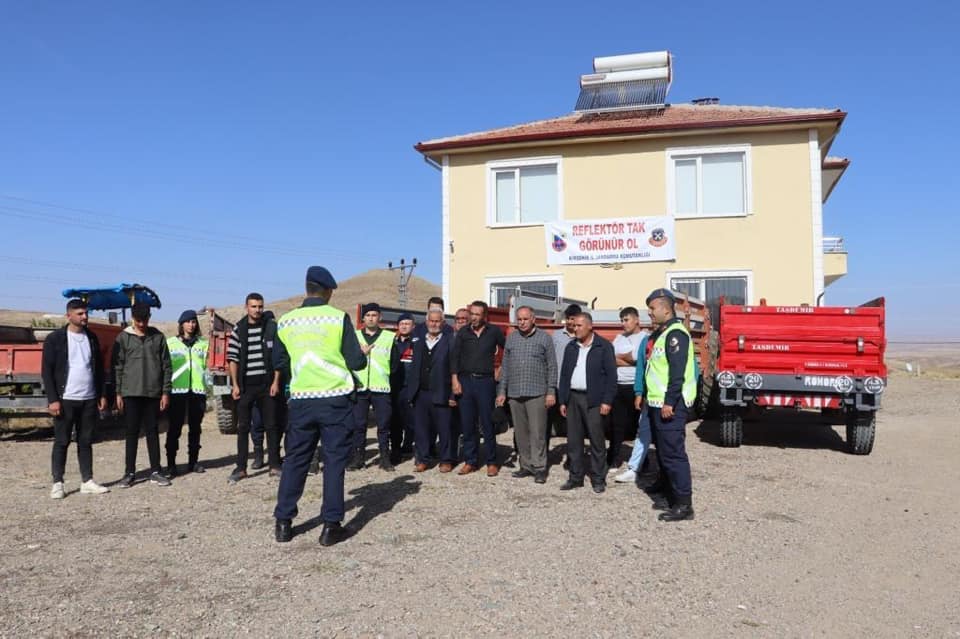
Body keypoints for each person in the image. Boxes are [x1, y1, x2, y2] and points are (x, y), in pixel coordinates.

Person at [273, 266, 366, 546]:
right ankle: (330, 525)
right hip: (335, 399)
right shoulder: (337, 318)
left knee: (296, 460)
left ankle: (283, 522)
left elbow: (279, 361)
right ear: (327, 291)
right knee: (334, 461)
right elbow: (356, 361)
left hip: (301, 400)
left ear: (306, 288)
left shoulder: (286, 322)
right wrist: (359, 357)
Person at [42, 298, 110, 498]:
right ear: (69, 315)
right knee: (62, 441)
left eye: (86, 313)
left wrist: (102, 394)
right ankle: (58, 483)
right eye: (80, 314)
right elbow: (47, 371)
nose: (85, 317)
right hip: (65, 399)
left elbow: (98, 369)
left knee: (86, 441)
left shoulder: (92, 338)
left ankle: (87, 481)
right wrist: (53, 399)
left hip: (88, 398)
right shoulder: (55, 339)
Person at [642, 288, 697, 522]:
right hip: (657, 403)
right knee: (664, 453)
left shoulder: (676, 334)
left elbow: (677, 373)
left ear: (666, 308)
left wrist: (669, 402)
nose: (650, 313)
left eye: (653, 309)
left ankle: (684, 505)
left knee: (673, 455)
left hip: (670, 405)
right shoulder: (662, 334)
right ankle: (667, 491)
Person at [113, 302, 172, 488]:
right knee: (131, 433)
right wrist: (118, 392)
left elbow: (166, 366)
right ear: (132, 318)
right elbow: (117, 367)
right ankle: (129, 473)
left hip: (153, 393)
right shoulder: (123, 338)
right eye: (138, 320)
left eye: (145, 319)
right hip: (130, 393)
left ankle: (156, 471)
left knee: (153, 432)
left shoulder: (158, 337)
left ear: (149, 317)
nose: (142, 323)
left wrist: (165, 391)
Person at [496, 305, 557, 484]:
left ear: (533, 319)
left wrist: (551, 391)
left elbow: (552, 367)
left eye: (525, 319)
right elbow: (505, 367)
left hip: (537, 393)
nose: (521, 322)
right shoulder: (512, 339)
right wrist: (502, 391)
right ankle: (526, 465)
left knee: (537, 433)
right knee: (521, 434)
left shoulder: (544, 338)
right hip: (515, 394)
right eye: (519, 319)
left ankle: (539, 467)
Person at [557, 312, 617, 493]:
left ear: (590, 326)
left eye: (579, 326)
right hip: (573, 398)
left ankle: (598, 478)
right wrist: (563, 400)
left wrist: (607, 400)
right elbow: (565, 375)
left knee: (596, 440)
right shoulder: (571, 347)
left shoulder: (603, 346)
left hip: (594, 399)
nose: (575, 329)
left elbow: (611, 376)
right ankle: (575, 477)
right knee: (574, 441)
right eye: (574, 326)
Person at [226, 293, 281, 483]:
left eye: (260, 306)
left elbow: (278, 358)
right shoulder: (238, 330)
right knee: (243, 427)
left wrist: (275, 382)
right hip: (246, 386)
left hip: (267, 385)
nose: (257, 310)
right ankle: (241, 468)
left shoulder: (271, 328)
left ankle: (274, 465)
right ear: (246, 307)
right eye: (254, 306)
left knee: (271, 425)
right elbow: (232, 358)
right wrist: (235, 384)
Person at [450, 300, 505, 476]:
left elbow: (508, 349)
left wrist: (500, 367)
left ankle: (491, 461)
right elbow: (455, 358)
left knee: (487, 423)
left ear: (484, 316)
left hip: (486, 383)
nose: (472, 317)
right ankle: (470, 461)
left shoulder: (494, 332)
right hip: (466, 382)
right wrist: (455, 380)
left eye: (476, 314)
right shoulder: (463, 333)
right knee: (467, 424)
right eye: (471, 314)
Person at [406, 310, 457, 472]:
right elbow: (414, 368)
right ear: (426, 322)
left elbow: (454, 369)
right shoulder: (419, 342)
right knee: (421, 429)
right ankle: (423, 459)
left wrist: (452, 394)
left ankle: (446, 460)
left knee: (444, 428)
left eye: (437, 321)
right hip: (421, 393)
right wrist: (412, 393)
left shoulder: (450, 341)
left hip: (442, 391)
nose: (434, 324)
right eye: (431, 321)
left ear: (442, 323)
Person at [348, 303, 397, 471]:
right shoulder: (354, 337)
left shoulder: (389, 337)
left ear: (380, 318)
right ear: (363, 318)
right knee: (358, 425)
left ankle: (384, 458)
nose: (371, 318)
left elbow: (395, 365)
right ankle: (358, 458)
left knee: (384, 426)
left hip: (381, 388)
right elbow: (347, 361)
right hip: (360, 387)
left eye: (374, 315)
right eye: (368, 315)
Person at [164, 310, 209, 477]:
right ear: (181, 324)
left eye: (194, 321)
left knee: (195, 428)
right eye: (188, 321)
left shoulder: (203, 344)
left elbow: (207, 366)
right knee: (174, 428)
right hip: (177, 391)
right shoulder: (170, 344)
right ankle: (171, 465)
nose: (192, 324)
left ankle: (194, 462)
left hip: (197, 391)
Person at [614, 321, 656, 484]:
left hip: (665, 399)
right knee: (642, 433)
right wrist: (639, 392)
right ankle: (634, 468)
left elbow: (639, 360)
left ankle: (664, 473)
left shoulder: (675, 337)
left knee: (661, 437)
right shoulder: (646, 340)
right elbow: (640, 366)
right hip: (645, 394)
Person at [609, 306, 647, 469]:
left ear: (636, 319)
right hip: (619, 385)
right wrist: (630, 358)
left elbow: (641, 358)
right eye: (621, 320)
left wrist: (625, 357)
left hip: (636, 386)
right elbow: (611, 358)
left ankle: (642, 461)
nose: (623, 324)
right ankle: (612, 459)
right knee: (616, 425)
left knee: (639, 425)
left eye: (626, 320)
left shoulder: (645, 338)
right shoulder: (619, 338)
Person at [550, 304, 580, 463]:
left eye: (573, 318)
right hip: (556, 384)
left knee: (573, 423)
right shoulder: (556, 336)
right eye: (568, 318)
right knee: (548, 420)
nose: (570, 321)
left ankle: (573, 455)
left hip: (573, 385)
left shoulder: (582, 336)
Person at [388, 312, 417, 464]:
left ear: (413, 326)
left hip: (411, 387)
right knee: (396, 420)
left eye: (407, 323)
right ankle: (396, 449)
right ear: (397, 326)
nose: (404, 326)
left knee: (411, 420)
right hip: (395, 387)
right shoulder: (391, 342)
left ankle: (409, 445)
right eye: (402, 324)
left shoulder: (418, 343)